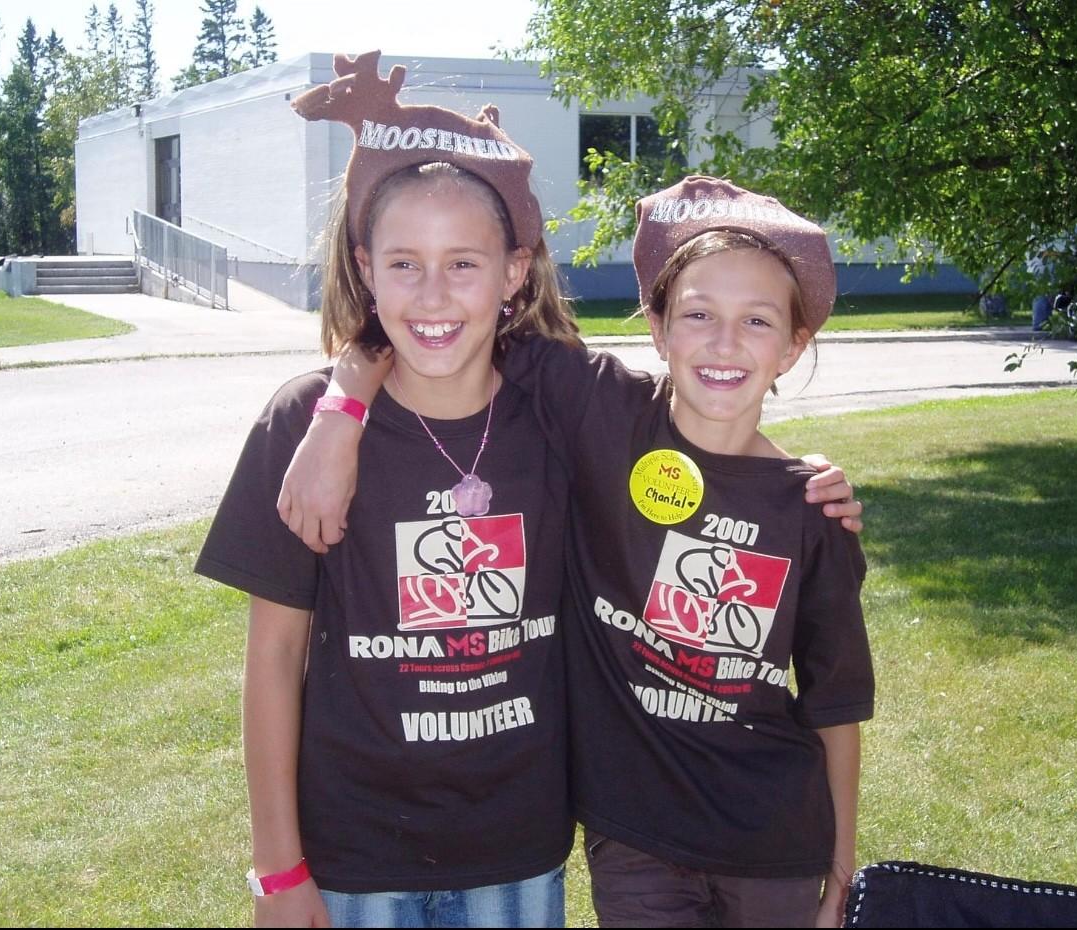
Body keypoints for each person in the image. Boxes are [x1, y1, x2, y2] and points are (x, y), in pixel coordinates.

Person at [283, 176, 872, 928]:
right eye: (696, 314)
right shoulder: (600, 411)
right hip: (633, 841)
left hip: (774, 841)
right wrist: (343, 402)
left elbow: (836, 702)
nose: (724, 343)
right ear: (657, 329)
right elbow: (446, 309)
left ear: (793, 348)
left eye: (757, 321)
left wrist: (841, 870)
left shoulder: (812, 511)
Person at [196, 50, 582, 928]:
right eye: (403, 263)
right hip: (351, 858)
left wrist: (802, 484)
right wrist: (277, 873)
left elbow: (692, 437)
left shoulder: (561, 415)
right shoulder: (301, 425)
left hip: (514, 853)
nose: (433, 294)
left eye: (464, 264)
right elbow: (274, 660)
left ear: (516, 271)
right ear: (365, 267)